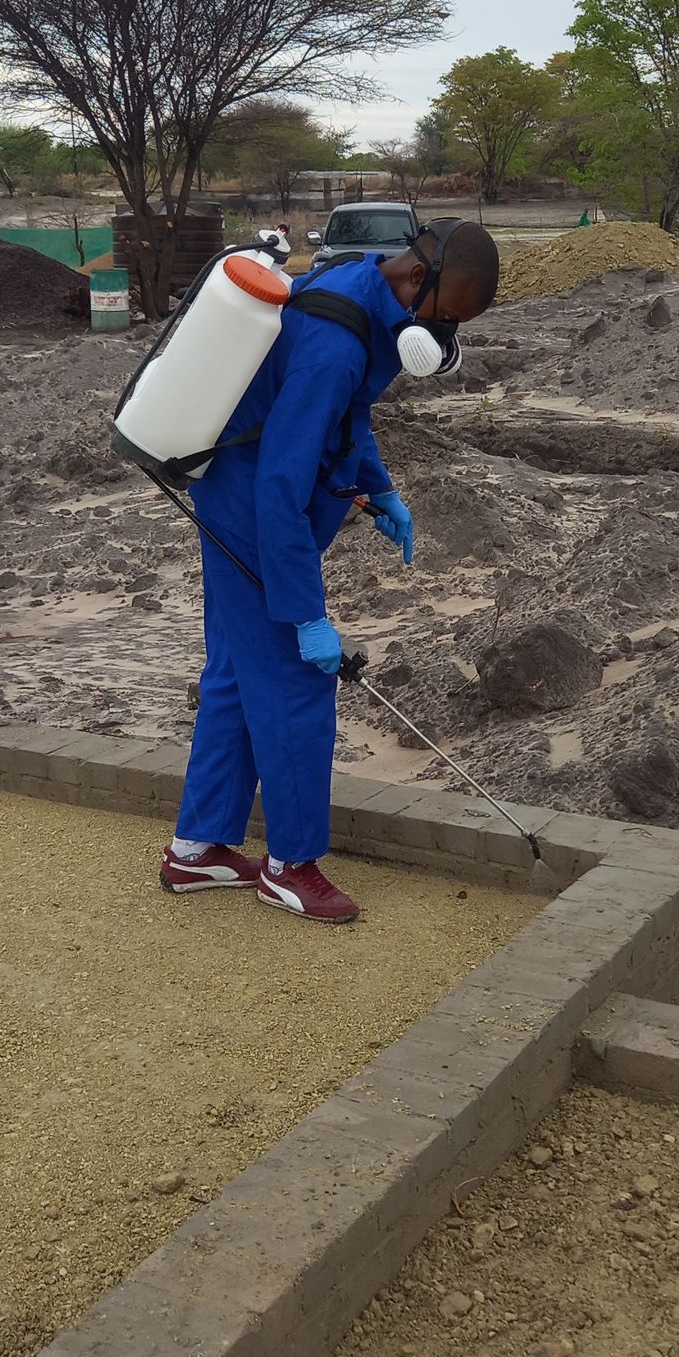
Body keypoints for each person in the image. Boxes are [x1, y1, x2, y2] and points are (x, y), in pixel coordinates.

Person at [160, 220, 501, 922]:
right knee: (295, 682)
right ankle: (290, 866)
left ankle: (196, 850)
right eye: (447, 319)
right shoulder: (333, 347)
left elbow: (347, 421)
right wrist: (307, 615)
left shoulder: (362, 288)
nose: (443, 340)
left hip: (238, 493)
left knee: (233, 675)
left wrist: (379, 489)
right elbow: (280, 487)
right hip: (253, 512)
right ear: (416, 280)